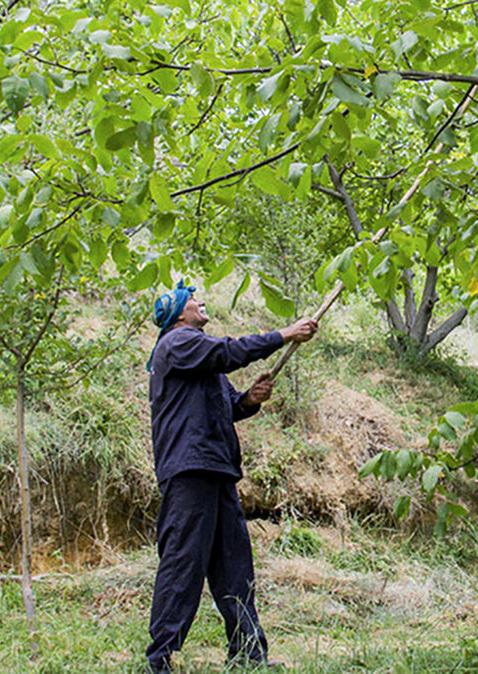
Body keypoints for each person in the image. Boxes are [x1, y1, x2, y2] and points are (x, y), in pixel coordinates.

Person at [145, 281, 318, 673]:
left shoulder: (197, 356)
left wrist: (247, 401)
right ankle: (159, 660)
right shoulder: (178, 344)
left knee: (234, 566)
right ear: (179, 314)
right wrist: (284, 334)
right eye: (193, 300)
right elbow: (228, 352)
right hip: (190, 472)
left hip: (216, 469)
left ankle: (248, 656)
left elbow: (225, 406)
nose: (201, 302)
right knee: (183, 563)